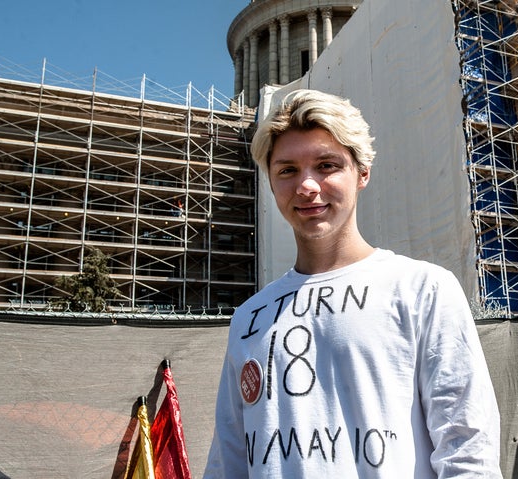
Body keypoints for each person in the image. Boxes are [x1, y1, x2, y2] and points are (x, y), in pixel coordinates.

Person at [204, 89, 502, 478]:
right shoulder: (249, 318)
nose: (307, 186)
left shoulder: (421, 290)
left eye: (327, 166)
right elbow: (229, 459)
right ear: (271, 182)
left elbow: (467, 445)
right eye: (287, 170)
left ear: (362, 173)